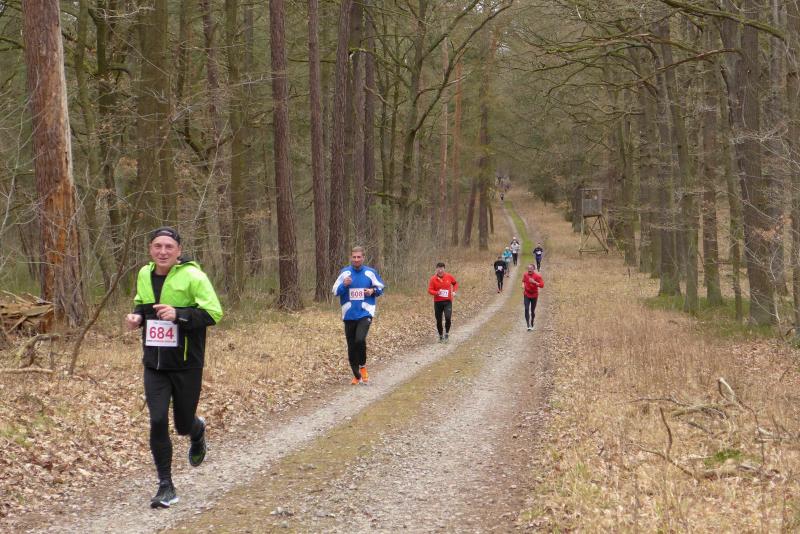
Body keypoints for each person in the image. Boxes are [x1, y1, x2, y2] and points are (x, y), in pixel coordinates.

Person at [125, 226, 223, 509]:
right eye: (157, 246)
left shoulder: (194, 276)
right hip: (154, 364)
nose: (163, 251)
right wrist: (137, 318)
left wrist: (178, 314)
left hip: (186, 364)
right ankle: (165, 485)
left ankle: (197, 430)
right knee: (157, 420)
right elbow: (143, 306)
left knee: (182, 424)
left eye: (169, 247)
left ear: (179, 251)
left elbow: (214, 313)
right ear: (150, 249)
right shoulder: (144, 274)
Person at [332, 246, 385, 385]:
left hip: (365, 312)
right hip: (349, 314)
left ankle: (362, 366)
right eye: (354, 257)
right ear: (351, 257)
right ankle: (356, 375)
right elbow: (335, 291)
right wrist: (344, 285)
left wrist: (372, 291)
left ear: (363, 258)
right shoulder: (345, 273)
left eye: (359, 257)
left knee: (360, 340)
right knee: (351, 347)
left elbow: (381, 288)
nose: (356, 259)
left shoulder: (370, 272)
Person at [428, 262, 458, 342]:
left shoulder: (449, 276)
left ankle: (447, 334)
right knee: (439, 320)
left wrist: (454, 291)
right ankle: (441, 336)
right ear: (436, 269)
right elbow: (430, 290)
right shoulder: (433, 279)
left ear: (444, 269)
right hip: (437, 302)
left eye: (441, 268)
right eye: (438, 268)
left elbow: (455, 284)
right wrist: (436, 292)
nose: (440, 270)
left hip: (448, 301)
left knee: (448, 317)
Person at [522, 263, 544, 331]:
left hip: (534, 295)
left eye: (531, 268)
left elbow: (542, 285)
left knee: (532, 310)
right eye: (528, 268)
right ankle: (528, 325)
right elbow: (523, 281)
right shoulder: (525, 274)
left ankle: (532, 321)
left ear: (534, 269)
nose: (529, 270)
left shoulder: (537, 276)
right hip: (526, 294)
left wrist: (534, 282)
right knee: (526, 309)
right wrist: (523, 285)